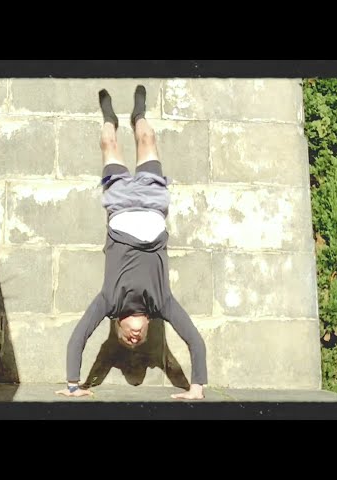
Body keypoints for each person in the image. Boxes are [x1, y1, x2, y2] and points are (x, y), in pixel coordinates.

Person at [55, 85, 208, 400]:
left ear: (118, 328)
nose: (135, 338)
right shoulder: (162, 302)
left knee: (109, 142)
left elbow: (78, 339)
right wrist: (196, 388)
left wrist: (74, 385)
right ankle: (140, 113)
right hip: (152, 205)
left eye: (128, 340)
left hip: (121, 205)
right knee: (147, 139)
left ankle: (110, 115)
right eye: (138, 341)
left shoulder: (108, 301)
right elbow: (194, 340)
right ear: (147, 327)